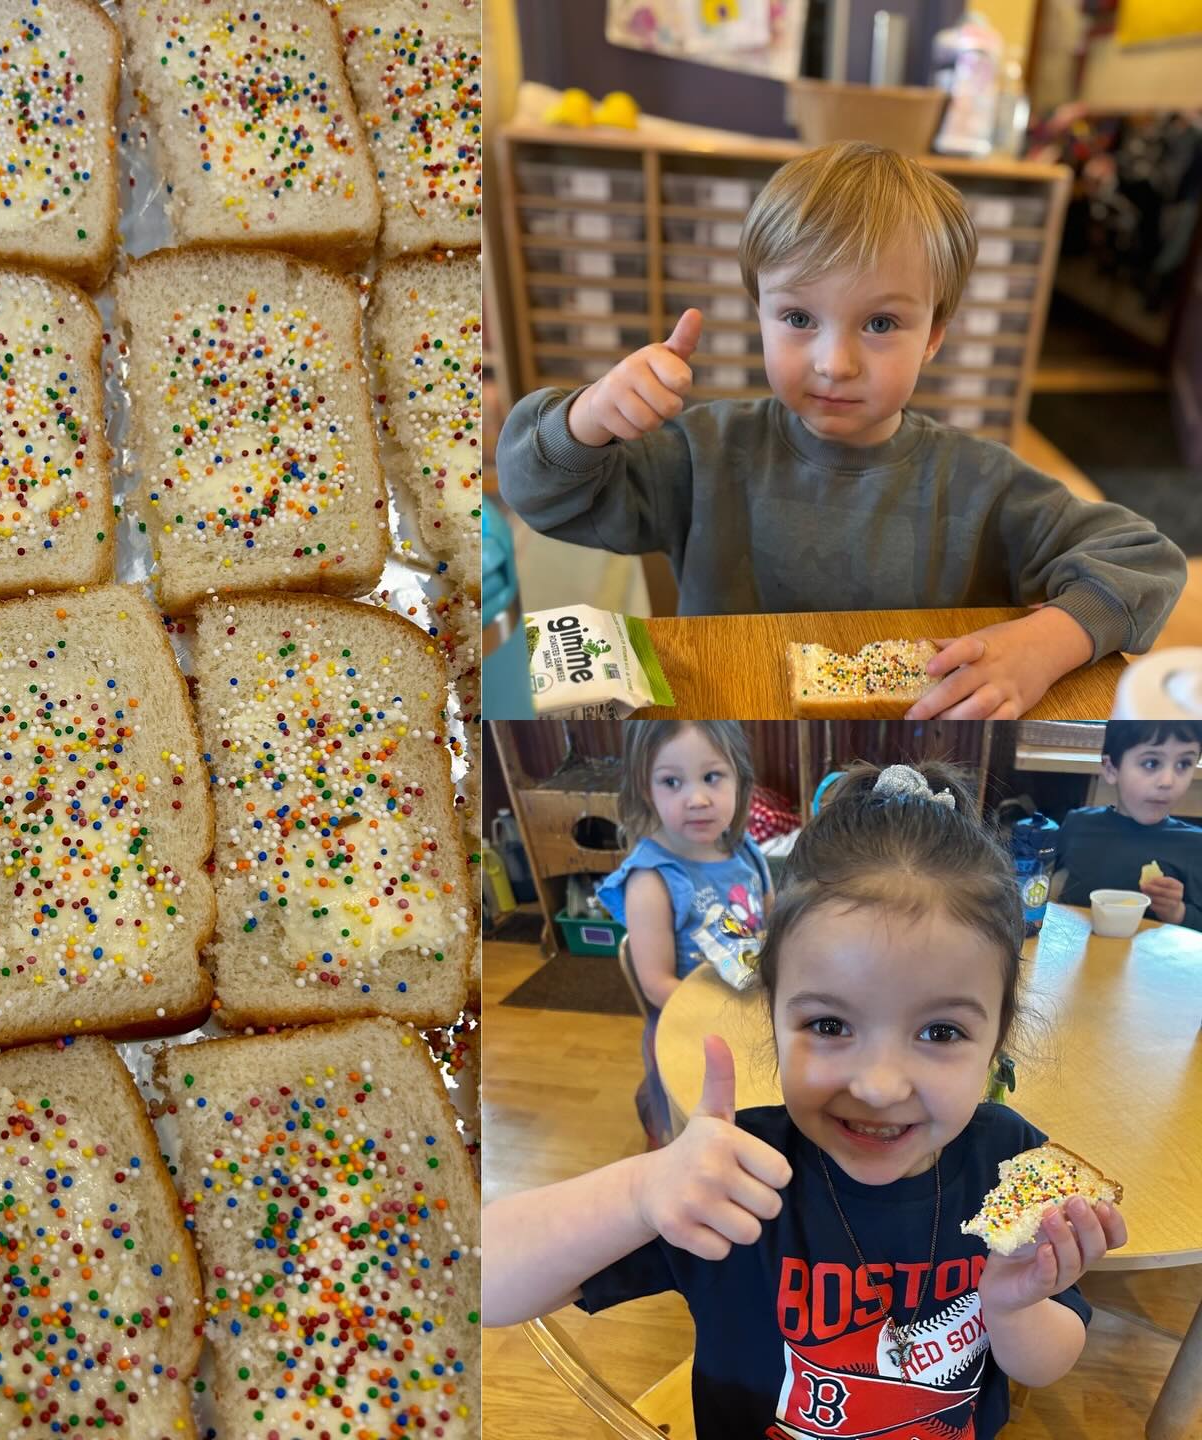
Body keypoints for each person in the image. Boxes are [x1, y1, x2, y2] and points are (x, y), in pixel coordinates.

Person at [483, 762, 1128, 1438]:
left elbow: (1046, 1365)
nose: (880, 1086)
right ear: (774, 1019)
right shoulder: (735, 1176)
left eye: (941, 1031)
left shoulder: (1010, 1159)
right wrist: (640, 1191)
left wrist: (1014, 1308)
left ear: (997, 1041)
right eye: (829, 1025)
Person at [497, 141, 1186, 720]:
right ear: (760, 311)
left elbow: (1145, 561)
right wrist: (585, 421)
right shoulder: (701, 451)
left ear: (934, 336)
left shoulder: (981, 482)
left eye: (881, 324)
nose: (835, 363)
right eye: (798, 318)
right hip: (730, 725)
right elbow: (545, 499)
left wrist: (1045, 641)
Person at [595, 721, 772, 1147]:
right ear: (645, 790)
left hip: (755, 1012)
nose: (696, 799)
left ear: (739, 778)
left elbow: (772, 925)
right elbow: (656, 985)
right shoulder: (652, 881)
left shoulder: (746, 850)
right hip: (694, 1031)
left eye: (712, 777)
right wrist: (730, 1014)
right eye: (672, 782)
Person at [1053, 720, 1201, 929]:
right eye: (1151, 763)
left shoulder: (1194, 844)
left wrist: (1178, 912)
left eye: (1183, 764)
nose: (1168, 781)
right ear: (1111, 769)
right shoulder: (1078, 824)